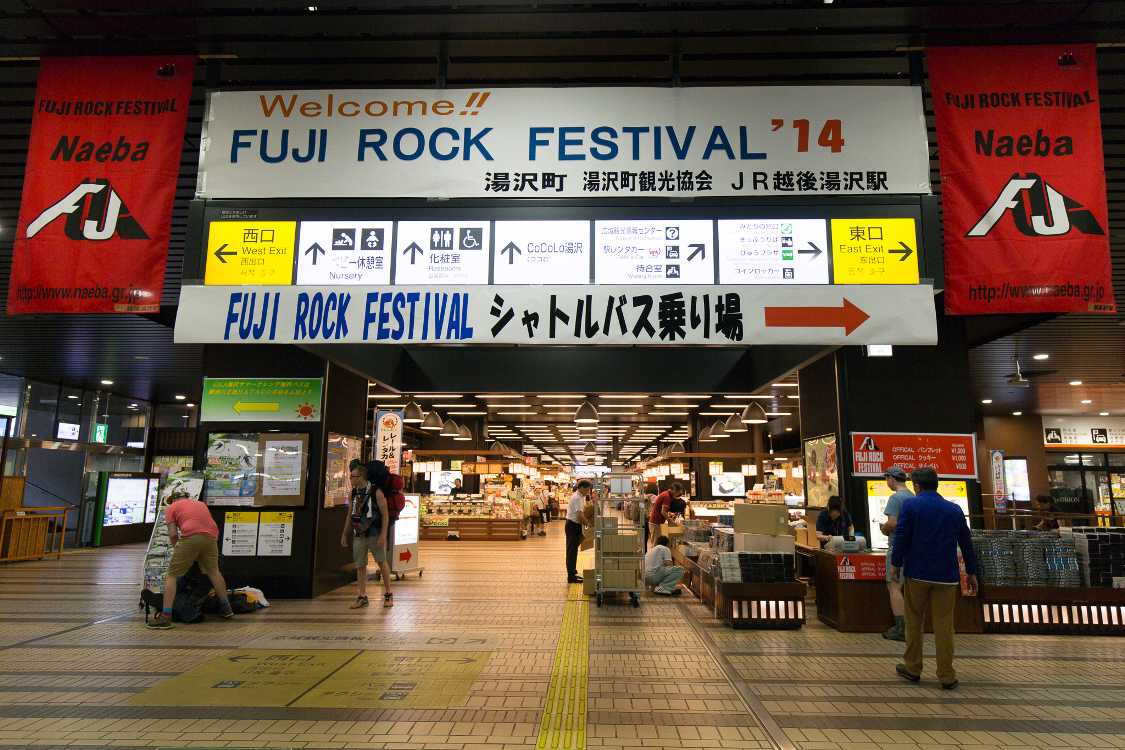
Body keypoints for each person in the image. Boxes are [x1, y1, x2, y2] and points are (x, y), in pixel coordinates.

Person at [891, 467, 979, 691]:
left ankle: (913, 667)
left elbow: (901, 536)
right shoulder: (954, 509)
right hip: (946, 577)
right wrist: (971, 571)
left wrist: (896, 564)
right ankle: (946, 675)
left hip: (917, 573)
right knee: (945, 625)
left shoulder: (911, 506)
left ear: (917, 486)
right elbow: (966, 542)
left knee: (914, 621)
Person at [147, 492, 233, 629]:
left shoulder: (171, 508)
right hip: (211, 537)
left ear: (173, 500)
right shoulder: (200, 504)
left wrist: (178, 548)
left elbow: (173, 534)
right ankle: (226, 609)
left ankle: (165, 617)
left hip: (191, 536)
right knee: (214, 572)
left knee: (171, 576)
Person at [340, 459, 393, 609]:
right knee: (360, 565)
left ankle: (388, 594)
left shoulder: (377, 492)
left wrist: (383, 534)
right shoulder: (353, 493)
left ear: (361, 477)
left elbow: (385, 515)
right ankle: (362, 596)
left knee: (381, 562)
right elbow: (350, 514)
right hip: (359, 534)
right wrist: (345, 533)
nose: (351, 479)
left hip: (375, 534)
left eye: (353, 476)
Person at [879, 467, 914, 642]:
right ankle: (912, 626)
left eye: (887, 479)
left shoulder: (895, 498)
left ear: (891, 479)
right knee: (909, 587)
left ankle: (901, 628)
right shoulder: (912, 496)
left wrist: (884, 529)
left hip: (897, 547)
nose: (887, 482)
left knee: (894, 586)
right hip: (913, 548)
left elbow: (892, 523)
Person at [565, 480, 593, 583]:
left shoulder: (581, 497)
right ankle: (571, 576)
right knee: (571, 551)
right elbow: (579, 515)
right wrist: (588, 524)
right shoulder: (577, 498)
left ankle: (573, 572)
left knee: (573, 550)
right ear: (581, 488)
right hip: (572, 525)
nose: (588, 492)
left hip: (575, 525)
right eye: (587, 489)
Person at [648, 482, 684, 547]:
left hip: (655, 522)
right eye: (678, 493)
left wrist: (669, 514)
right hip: (656, 522)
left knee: (657, 543)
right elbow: (663, 512)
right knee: (656, 544)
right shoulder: (667, 496)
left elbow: (662, 510)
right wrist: (670, 521)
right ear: (674, 490)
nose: (678, 495)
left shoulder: (665, 494)